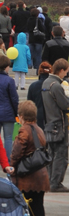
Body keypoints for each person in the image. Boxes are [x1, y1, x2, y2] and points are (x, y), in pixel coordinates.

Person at [9, 99, 49, 216]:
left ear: (21, 116)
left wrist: (12, 167)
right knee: (38, 207)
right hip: (41, 176)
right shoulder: (39, 129)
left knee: (30, 209)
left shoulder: (24, 130)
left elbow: (17, 152)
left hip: (29, 178)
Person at [41, 57, 69, 193]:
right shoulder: (56, 85)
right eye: (66, 71)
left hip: (49, 122)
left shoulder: (46, 82)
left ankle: (50, 180)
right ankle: (56, 182)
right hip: (59, 123)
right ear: (61, 70)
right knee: (61, 154)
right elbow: (65, 105)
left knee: (51, 153)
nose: (66, 74)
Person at [27, 62, 51, 128]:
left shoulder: (33, 86)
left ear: (39, 71)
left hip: (37, 115)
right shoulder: (53, 84)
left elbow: (29, 102)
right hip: (51, 115)